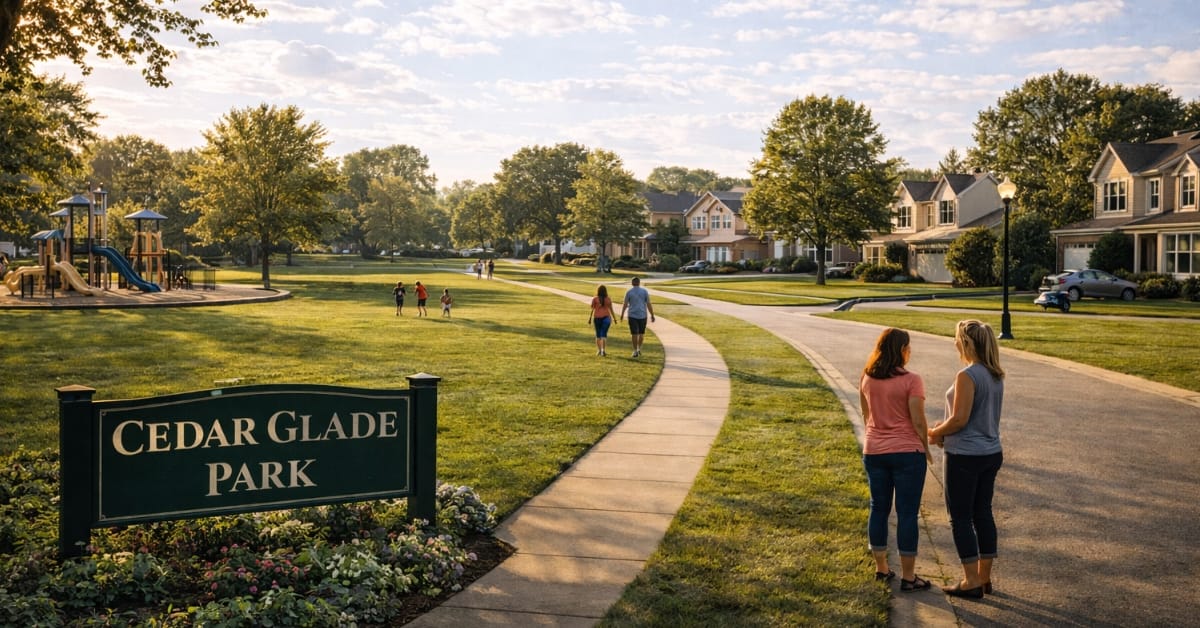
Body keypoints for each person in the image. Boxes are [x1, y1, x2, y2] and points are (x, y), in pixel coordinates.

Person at [929, 319, 1005, 600]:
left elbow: (960, 419)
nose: (954, 343)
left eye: (956, 339)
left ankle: (970, 581)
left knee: (960, 518)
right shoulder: (995, 374)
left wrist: (935, 432)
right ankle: (984, 578)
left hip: (965, 456)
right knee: (982, 513)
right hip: (990, 452)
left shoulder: (968, 375)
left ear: (967, 343)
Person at [859, 328, 932, 591]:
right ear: (901, 350)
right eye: (908, 347)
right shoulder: (912, 380)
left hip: (874, 451)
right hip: (907, 454)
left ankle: (882, 569)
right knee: (907, 513)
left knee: (878, 508)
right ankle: (909, 577)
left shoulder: (867, 377)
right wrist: (926, 448)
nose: (910, 352)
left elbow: (866, 415)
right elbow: (918, 420)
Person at [618, 277, 655, 357]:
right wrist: (652, 314)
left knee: (634, 334)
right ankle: (639, 349)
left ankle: (635, 351)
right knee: (641, 334)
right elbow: (648, 304)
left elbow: (625, 304)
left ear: (632, 283)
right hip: (643, 315)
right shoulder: (644, 291)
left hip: (632, 315)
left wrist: (622, 314)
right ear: (639, 283)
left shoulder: (629, 292)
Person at [588, 284, 614, 356]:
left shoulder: (595, 299)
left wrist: (590, 318)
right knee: (604, 334)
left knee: (598, 335)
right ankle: (603, 350)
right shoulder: (608, 299)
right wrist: (614, 318)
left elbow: (592, 308)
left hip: (597, 318)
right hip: (606, 318)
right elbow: (611, 309)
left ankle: (599, 350)